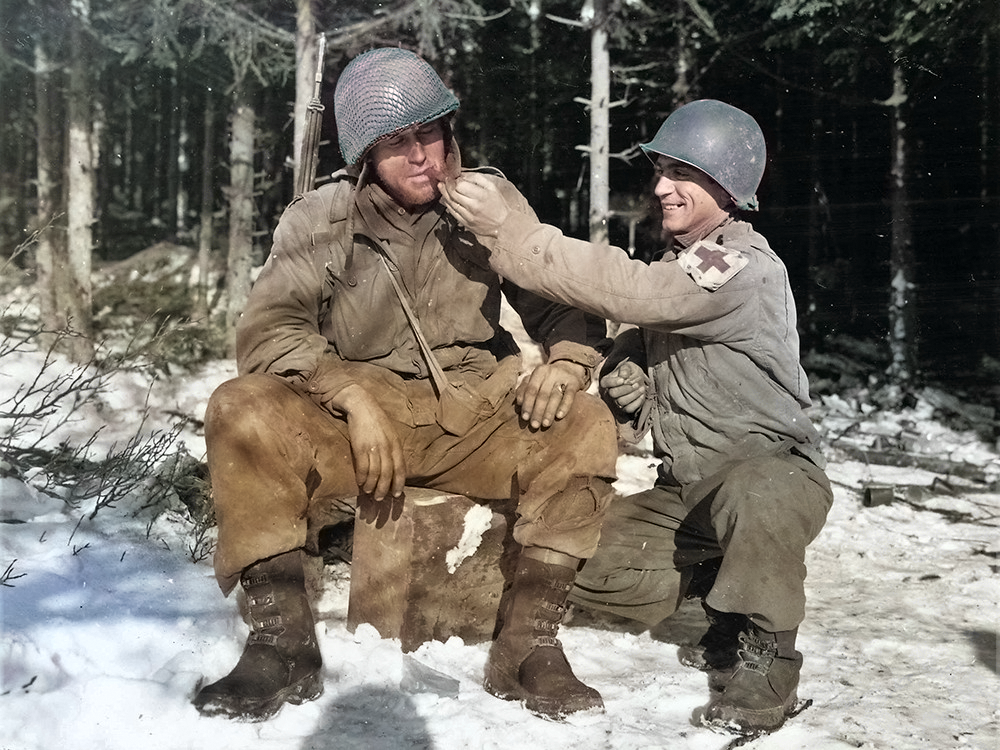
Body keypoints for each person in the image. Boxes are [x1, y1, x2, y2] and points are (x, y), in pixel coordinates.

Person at [192, 47, 618, 722]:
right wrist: (351, 395)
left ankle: (529, 647)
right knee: (239, 408)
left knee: (588, 424)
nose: (423, 157)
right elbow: (267, 332)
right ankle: (281, 643)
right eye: (397, 144)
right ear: (365, 157)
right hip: (359, 425)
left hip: (477, 413)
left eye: (431, 135)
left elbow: (562, 298)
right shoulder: (320, 218)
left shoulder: (489, 202)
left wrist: (566, 364)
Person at [440, 99, 834, 734]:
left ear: (727, 186)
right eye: (661, 172)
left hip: (772, 477)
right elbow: (632, 361)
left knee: (758, 494)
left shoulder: (738, 262)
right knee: (572, 563)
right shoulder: (683, 267)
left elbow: (632, 291)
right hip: (688, 494)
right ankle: (715, 606)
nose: (660, 188)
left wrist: (511, 233)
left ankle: (769, 653)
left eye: (682, 174)